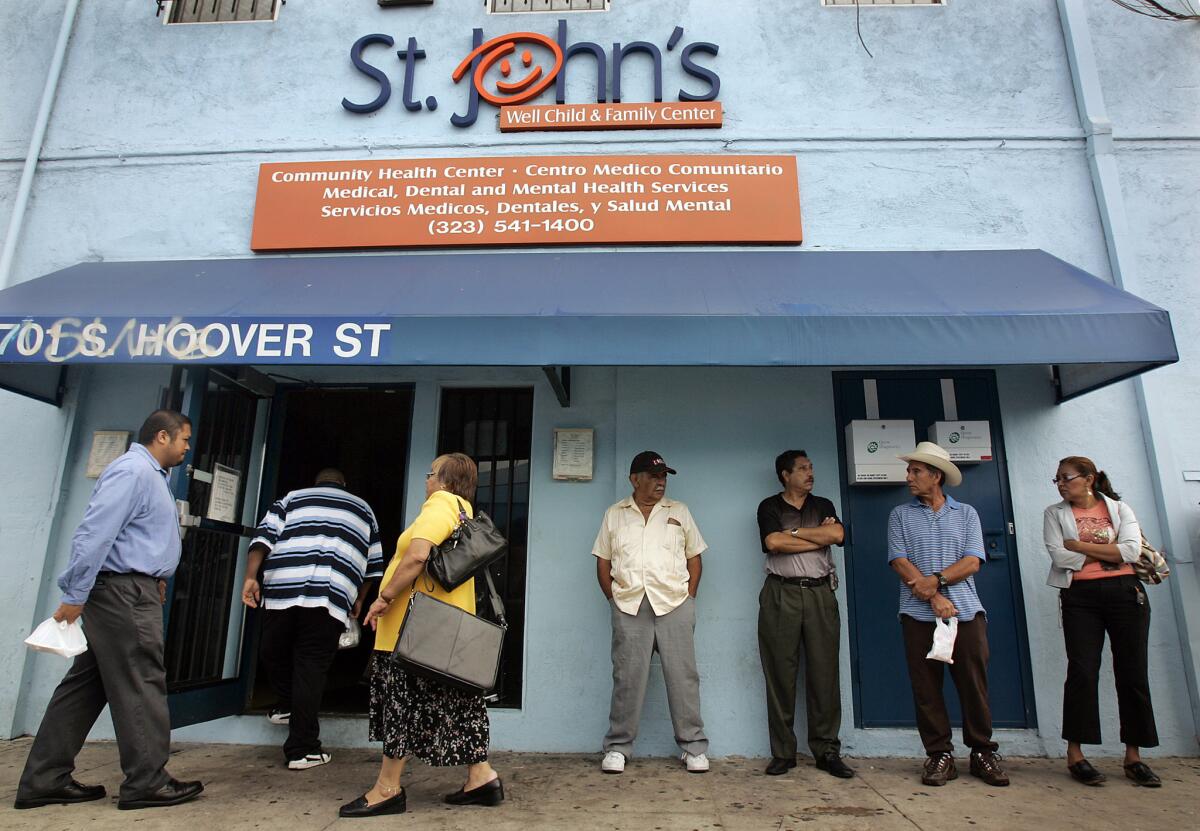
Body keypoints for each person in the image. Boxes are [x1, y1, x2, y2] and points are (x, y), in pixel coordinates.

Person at [15, 410, 205, 811]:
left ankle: (44, 778)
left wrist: (157, 575)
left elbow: (136, 535)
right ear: (161, 437)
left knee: (86, 685)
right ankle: (147, 782)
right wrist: (75, 593)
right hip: (121, 594)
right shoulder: (133, 471)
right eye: (184, 439)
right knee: (141, 678)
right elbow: (95, 533)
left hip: (130, 588)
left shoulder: (153, 476)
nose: (188, 447)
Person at [339, 453, 503, 818]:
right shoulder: (464, 511)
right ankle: (481, 777)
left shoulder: (440, 505)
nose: (426, 480)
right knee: (457, 705)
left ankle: (386, 789)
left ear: (444, 479)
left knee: (402, 706)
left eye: (430, 473)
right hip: (447, 632)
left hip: (414, 632)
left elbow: (417, 556)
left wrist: (383, 598)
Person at [242, 468, 383, 770]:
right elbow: (373, 565)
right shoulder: (363, 509)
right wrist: (359, 599)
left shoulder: (291, 499)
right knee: (311, 668)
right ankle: (302, 748)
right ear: (344, 485)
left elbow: (262, 539)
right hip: (329, 596)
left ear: (316, 483)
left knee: (272, 651)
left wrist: (250, 577)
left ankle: (288, 708)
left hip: (282, 588)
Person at [887, 441, 1008, 788]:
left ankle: (983, 751)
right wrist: (934, 596)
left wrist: (937, 581)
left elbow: (973, 561)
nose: (909, 477)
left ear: (936, 476)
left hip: (966, 613)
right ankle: (939, 754)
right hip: (917, 615)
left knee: (973, 685)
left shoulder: (966, 513)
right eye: (909, 470)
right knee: (926, 688)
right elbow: (899, 560)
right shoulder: (900, 515)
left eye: (916, 471)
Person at [1043, 456, 1160, 787]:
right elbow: (1059, 555)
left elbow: (1130, 552)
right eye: (1057, 480)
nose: (1062, 484)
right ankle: (1076, 753)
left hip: (1126, 594)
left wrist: (1080, 546)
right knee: (1082, 669)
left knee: (1133, 671)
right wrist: (1107, 549)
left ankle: (1134, 756)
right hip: (1079, 597)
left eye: (1066, 478)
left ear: (1089, 479)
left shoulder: (1119, 510)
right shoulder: (1055, 513)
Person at [593, 451, 710, 775]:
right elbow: (602, 562)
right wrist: (615, 600)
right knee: (627, 679)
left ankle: (693, 747)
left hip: (674, 604)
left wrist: (689, 597)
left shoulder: (679, 511)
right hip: (631, 606)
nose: (661, 482)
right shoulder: (614, 514)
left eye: (664, 477)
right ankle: (617, 748)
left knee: (683, 678)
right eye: (654, 476)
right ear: (635, 479)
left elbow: (695, 557)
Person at [756, 450, 853, 779]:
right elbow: (772, 542)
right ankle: (783, 753)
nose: (810, 473)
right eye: (802, 469)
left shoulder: (822, 505)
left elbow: (838, 535)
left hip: (820, 593)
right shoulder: (769, 507)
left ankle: (827, 752)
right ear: (785, 475)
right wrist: (814, 536)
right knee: (780, 673)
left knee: (824, 675)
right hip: (781, 594)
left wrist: (793, 536)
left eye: (811, 467)